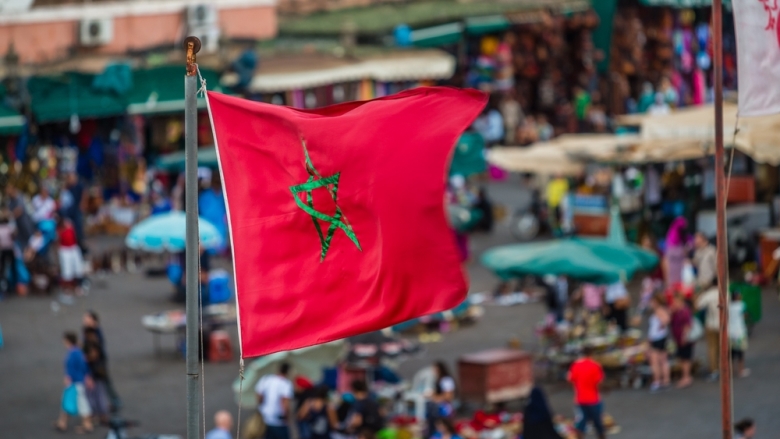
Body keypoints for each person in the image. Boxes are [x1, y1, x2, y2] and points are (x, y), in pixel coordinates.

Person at [56, 331, 93, 434]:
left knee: (74, 402)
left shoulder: (72, 354)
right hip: (80, 381)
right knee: (72, 402)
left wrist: (68, 378)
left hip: (74, 383)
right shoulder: (79, 352)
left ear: (67, 341)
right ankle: (62, 422)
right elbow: (85, 366)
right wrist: (88, 376)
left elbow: (70, 368)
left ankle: (86, 425)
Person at [567, 346, 605, 439]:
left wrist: (577, 387)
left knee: (581, 423)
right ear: (592, 354)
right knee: (598, 423)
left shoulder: (576, 365)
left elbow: (570, 379)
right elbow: (599, 382)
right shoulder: (595, 365)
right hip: (594, 399)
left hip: (580, 399)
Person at [255, 362, 293, 439]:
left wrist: (263, 406)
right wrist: (287, 417)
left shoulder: (266, 379)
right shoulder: (286, 383)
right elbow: (285, 403)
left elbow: (259, 396)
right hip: (279, 421)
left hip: (265, 418)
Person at [83, 327, 110, 423]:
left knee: (98, 396)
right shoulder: (91, 345)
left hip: (96, 375)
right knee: (95, 396)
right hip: (96, 375)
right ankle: (98, 414)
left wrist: (91, 376)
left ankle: (101, 415)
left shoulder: (95, 345)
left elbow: (94, 358)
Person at [696, 280, 720, 380]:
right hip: (724, 324)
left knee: (712, 348)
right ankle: (721, 367)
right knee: (721, 348)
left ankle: (714, 370)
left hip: (711, 324)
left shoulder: (709, 294)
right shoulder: (725, 293)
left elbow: (698, 305)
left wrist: (700, 292)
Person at [57, 218, 85, 301]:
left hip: (73, 248)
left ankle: (77, 287)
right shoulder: (59, 230)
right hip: (65, 250)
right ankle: (67, 289)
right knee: (66, 270)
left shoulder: (71, 227)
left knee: (77, 268)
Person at [647, 294, 671, 392]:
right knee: (663, 359)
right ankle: (665, 379)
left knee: (655, 361)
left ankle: (657, 380)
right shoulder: (662, 309)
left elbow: (666, 320)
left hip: (657, 338)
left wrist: (662, 324)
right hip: (661, 337)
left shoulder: (658, 310)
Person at [670, 294, 694, 388]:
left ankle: (686, 377)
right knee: (681, 357)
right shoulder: (677, 311)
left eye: (675, 301)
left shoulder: (685, 311)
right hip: (678, 338)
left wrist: (684, 337)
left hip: (684, 339)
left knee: (685, 358)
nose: (674, 303)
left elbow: (688, 325)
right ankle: (685, 376)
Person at [60, 172, 85, 249]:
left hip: (76, 210)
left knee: (78, 227)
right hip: (70, 210)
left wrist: (83, 203)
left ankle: (80, 243)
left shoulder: (79, 186)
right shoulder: (68, 188)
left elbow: (84, 193)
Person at [729, 290, 750, 378]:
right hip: (740, 331)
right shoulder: (741, 305)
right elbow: (745, 314)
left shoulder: (729, 306)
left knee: (731, 352)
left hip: (730, 331)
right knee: (741, 352)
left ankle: (731, 370)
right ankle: (741, 370)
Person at [663, 217, 689, 287]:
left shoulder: (683, 238)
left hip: (681, 270)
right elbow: (666, 259)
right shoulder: (672, 239)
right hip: (673, 270)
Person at [0, 212, 16, 294]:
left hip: (3, 251)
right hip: (9, 250)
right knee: (11, 267)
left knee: (3, 269)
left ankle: (5, 286)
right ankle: (11, 286)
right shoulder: (9, 228)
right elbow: (14, 237)